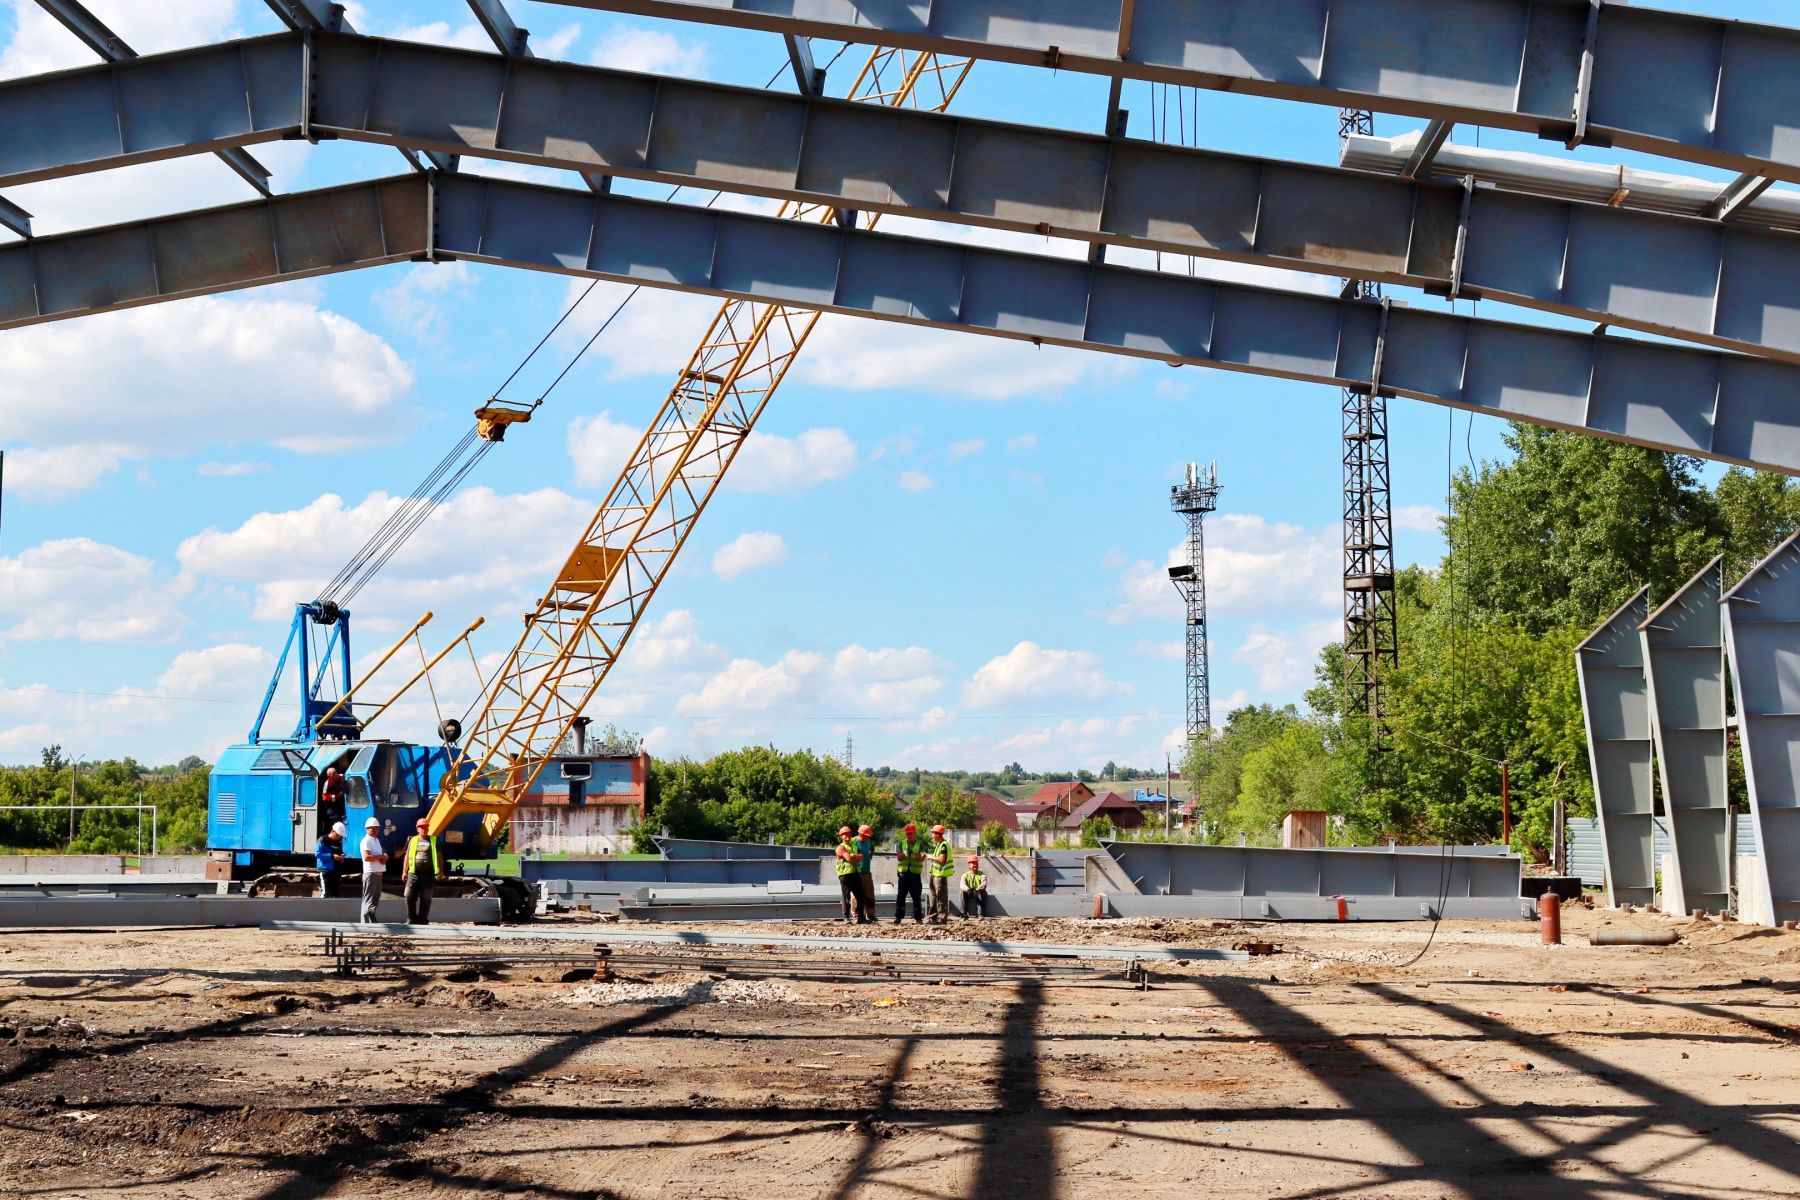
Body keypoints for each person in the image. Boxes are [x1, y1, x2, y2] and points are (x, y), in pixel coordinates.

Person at [402, 818, 442, 925]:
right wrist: (404, 872)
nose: (424, 829)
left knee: (426, 898)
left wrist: (441, 871)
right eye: (422, 827)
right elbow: (407, 856)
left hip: (428, 874)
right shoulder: (413, 840)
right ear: (417, 829)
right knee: (408, 895)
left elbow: (439, 856)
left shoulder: (433, 840)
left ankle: (423, 920)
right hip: (413, 873)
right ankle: (411, 918)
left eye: (426, 827)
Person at [892, 822, 926, 924]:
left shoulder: (921, 844)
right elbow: (899, 858)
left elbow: (921, 858)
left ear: (915, 833)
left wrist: (915, 853)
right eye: (907, 834)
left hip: (915, 875)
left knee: (916, 896)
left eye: (910, 833)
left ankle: (918, 918)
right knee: (901, 896)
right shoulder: (901, 843)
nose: (909, 836)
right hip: (903, 874)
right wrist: (904, 854)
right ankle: (898, 917)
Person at [358, 816, 388, 924]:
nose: (376, 830)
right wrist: (381, 856)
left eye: (377, 828)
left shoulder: (376, 841)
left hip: (378, 873)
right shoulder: (366, 841)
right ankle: (364, 922)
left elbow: (377, 858)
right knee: (368, 899)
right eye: (373, 828)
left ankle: (371, 920)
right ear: (368, 829)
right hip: (370, 873)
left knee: (375, 900)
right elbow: (367, 857)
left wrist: (383, 858)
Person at [833, 825, 864, 924]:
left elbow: (862, 856)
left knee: (860, 896)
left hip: (855, 873)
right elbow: (849, 859)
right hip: (845, 875)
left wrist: (853, 855)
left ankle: (861, 918)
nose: (847, 836)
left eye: (849, 834)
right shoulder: (840, 848)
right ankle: (846, 918)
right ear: (841, 836)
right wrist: (854, 857)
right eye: (845, 834)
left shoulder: (854, 846)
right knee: (846, 896)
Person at [926, 823, 955, 925]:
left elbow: (942, 860)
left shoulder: (944, 845)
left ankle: (942, 918)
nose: (932, 836)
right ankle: (933, 918)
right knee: (933, 897)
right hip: (935, 874)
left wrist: (931, 857)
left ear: (938, 834)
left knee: (941, 898)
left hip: (940, 876)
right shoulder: (939, 844)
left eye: (933, 833)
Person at [314, 821, 346, 898]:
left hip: (336, 871)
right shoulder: (322, 840)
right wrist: (332, 856)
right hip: (326, 871)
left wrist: (341, 857)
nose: (340, 837)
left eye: (341, 836)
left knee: (336, 894)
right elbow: (317, 854)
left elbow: (339, 854)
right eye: (338, 835)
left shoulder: (338, 843)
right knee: (325, 893)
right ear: (332, 831)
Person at [854, 824, 878, 924]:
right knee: (856, 896)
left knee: (870, 894)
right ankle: (856, 915)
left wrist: (871, 853)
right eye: (867, 836)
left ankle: (871, 914)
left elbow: (872, 846)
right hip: (856, 873)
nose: (868, 837)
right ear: (861, 834)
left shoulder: (869, 842)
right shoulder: (853, 841)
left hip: (867, 872)